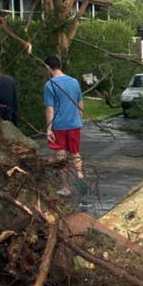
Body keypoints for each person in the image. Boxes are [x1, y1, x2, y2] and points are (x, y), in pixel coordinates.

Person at [43, 55, 84, 196]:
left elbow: (50, 108)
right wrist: (80, 120)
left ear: (48, 67)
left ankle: (66, 188)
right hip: (74, 124)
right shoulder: (74, 82)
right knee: (75, 152)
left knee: (61, 156)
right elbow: (80, 102)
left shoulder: (50, 85)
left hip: (59, 126)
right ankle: (79, 175)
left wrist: (49, 128)